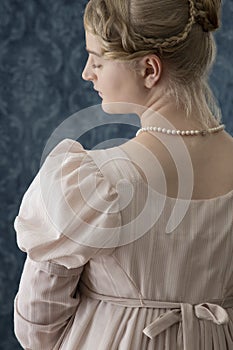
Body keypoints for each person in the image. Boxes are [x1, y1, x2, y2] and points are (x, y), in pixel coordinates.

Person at [14, 0, 233, 349]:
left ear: (149, 69)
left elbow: (37, 327)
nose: (88, 72)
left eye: (98, 59)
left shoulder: (92, 183)